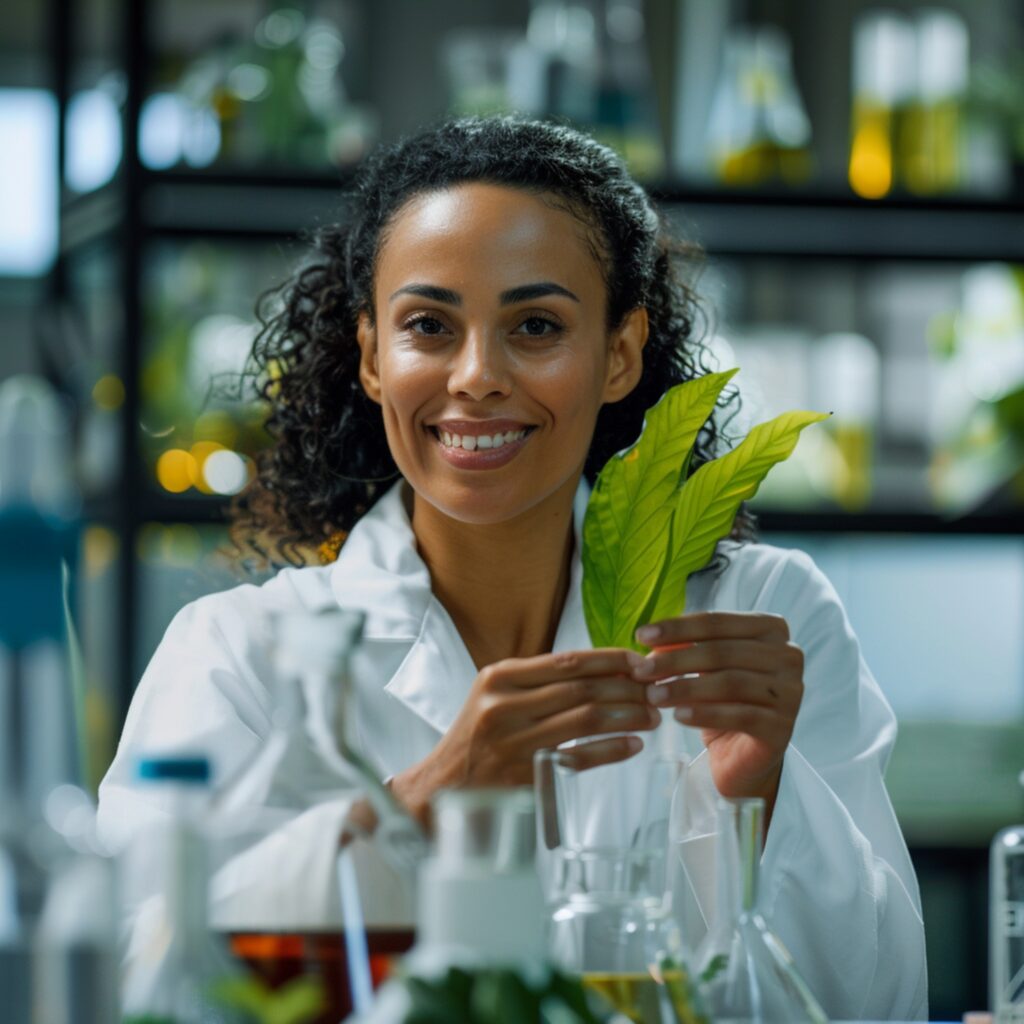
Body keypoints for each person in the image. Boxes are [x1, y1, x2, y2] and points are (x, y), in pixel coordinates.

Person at [97, 116, 926, 1020]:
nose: (477, 375)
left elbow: (882, 998)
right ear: (374, 355)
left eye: (535, 325)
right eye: (428, 326)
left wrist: (750, 806)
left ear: (619, 354)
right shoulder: (241, 654)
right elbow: (134, 983)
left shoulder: (763, 614)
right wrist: (425, 800)